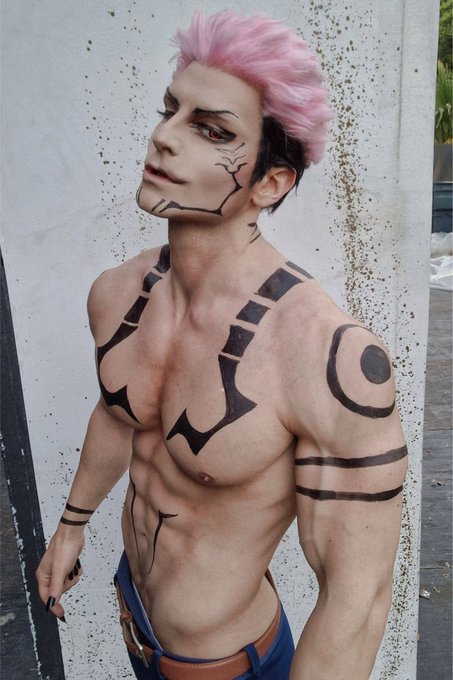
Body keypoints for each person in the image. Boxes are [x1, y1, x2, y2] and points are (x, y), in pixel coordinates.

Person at [36, 9, 408, 680]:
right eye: (170, 111)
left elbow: (356, 601)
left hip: (227, 665)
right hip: (135, 619)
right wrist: (72, 526)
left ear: (270, 182)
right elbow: (119, 413)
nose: (162, 138)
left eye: (211, 130)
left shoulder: (329, 359)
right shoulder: (118, 293)